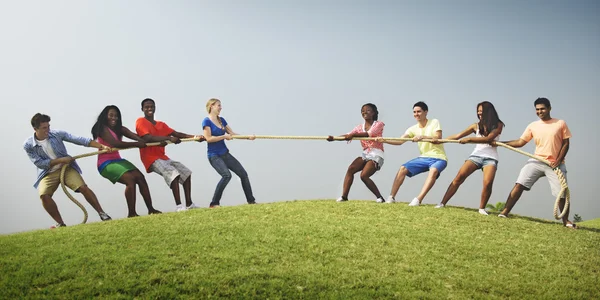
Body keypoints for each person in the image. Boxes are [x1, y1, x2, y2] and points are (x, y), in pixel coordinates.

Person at [494, 98, 575, 228]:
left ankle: (566, 221)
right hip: (536, 160)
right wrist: (501, 143)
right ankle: (504, 212)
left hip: (555, 164)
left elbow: (566, 144)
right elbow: (520, 142)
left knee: (562, 192)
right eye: (537, 109)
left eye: (542, 109)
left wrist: (558, 160)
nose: (540, 111)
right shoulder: (533, 125)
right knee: (519, 184)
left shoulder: (560, 123)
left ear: (549, 108)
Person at [23, 113, 113, 227]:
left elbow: (79, 140)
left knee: (83, 188)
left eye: (48, 126)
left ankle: (102, 214)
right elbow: (39, 163)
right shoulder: (28, 145)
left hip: (67, 168)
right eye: (44, 128)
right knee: (44, 195)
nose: (48, 130)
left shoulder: (57, 134)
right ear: (35, 129)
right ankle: (60, 223)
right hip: (48, 173)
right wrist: (60, 160)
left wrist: (101, 146)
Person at [435, 101, 505, 215]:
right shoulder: (475, 126)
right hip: (476, 155)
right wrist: (440, 141)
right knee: (459, 177)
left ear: (489, 112)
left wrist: (469, 140)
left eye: (481, 111)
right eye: (478, 111)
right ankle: (442, 203)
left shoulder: (498, 124)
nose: (479, 113)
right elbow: (458, 136)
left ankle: (481, 208)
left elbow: (489, 138)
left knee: (487, 183)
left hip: (490, 158)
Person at [135, 98, 205, 212]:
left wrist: (195, 137)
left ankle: (189, 204)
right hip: (151, 158)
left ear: (155, 107)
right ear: (142, 109)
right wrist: (169, 138)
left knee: (186, 173)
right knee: (173, 174)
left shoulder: (161, 124)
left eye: (152, 106)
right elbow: (147, 138)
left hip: (163, 157)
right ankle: (179, 206)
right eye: (147, 107)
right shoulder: (140, 121)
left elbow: (176, 134)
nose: (149, 109)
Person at [92, 105, 162, 217]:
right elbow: (116, 144)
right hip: (105, 164)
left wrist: (159, 141)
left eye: (116, 116)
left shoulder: (121, 129)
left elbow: (139, 138)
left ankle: (151, 209)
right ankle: (132, 213)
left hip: (118, 160)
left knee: (140, 177)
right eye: (111, 115)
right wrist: (136, 144)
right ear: (105, 116)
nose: (114, 118)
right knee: (130, 180)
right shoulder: (102, 128)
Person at [378, 101, 447, 206]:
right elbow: (400, 141)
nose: (416, 114)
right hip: (424, 158)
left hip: (439, 158)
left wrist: (422, 137)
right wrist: (384, 140)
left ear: (426, 112)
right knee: (402, 168)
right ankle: (391, 197)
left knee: (433, 171)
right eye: (414, 112)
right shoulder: (412, 129)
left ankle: (418, 200)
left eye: (419, 111)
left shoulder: (434, 122)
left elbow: (438, 138)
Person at [202, 98, 256, 208]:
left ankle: (251, 201)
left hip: (225, 154)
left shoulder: (222, 120)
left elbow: (232, 133)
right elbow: (208, 138)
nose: (221, 107)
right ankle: (214, 203)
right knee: (226, 175)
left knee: (243, 175)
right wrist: (223, 136)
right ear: (212, 106)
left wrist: (247, 137)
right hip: (214, 156)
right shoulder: (206, 121)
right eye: (219, 105)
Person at [327, 103, 386, 203]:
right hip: (366, 154)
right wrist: (334, 138)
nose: (365, 112)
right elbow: (348, 135)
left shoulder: (379, 124)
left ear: (374, 113)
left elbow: (368, 134)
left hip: (376, 154)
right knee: (351, 169)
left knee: (364, 175)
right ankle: (344, 197)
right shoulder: (359, 127)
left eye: (368, 110)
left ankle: (380, 197)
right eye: (363, 110)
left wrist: (353, 135)